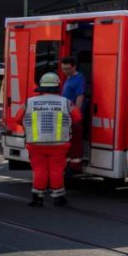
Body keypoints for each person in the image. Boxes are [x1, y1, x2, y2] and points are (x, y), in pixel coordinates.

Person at [22, 72, 80, 207]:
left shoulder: (29, 102)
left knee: (39, 170)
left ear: (41, 86)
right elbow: (77, 118)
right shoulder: (66, 102)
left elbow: (18, 118)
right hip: (59, 144)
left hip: (35, 143)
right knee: (57, 170)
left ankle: (37, 198)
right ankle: (58, 198)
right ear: (57, 86)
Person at [60, 56, 86, 172]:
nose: (66, 71)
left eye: (68, 69)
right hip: (66, 115)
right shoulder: (69, 78)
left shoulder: (79, 78)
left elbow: (80, 96)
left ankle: (74, 167)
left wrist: (76, 115)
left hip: (72, 117)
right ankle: (68, 165)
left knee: (74, 142)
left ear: (74, 67)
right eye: (64, 69)